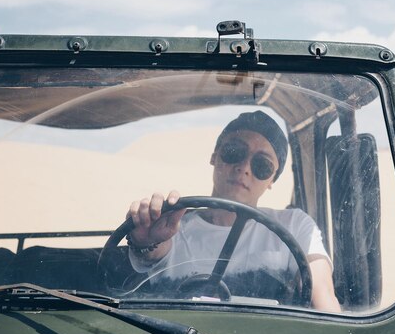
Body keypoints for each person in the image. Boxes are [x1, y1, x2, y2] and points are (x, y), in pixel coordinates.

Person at [126, 110, 341, 312]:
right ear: (214, 156)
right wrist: (145, 241)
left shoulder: (294, 226)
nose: (244, 167)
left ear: (271, 180)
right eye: (234, 152)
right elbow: (153, 253)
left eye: (262, 166)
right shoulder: (172, 226)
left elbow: (324, 301)